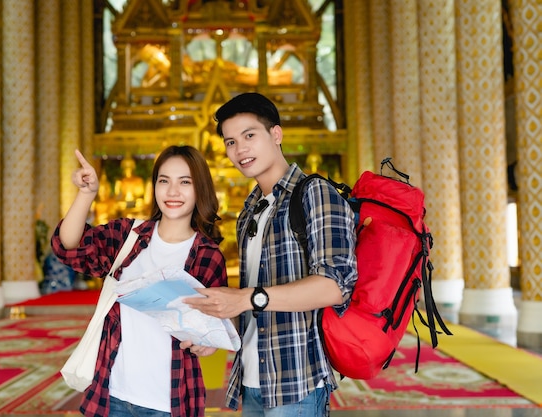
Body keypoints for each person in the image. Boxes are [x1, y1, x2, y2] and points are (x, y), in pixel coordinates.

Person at [185, 92, 358, 416]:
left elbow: (336, 286)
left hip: (297, 383)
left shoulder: (315, 193)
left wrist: (247, 298)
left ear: (275, 134)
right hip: (251, 379)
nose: (240, 150)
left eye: (249, 135)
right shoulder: (249, 210)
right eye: (231, 142)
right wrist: (217, 334)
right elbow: (253, 305)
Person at [51, 145, 228, 417]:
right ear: (154, 186)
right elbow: (70, 245)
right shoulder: (129, 235)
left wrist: (208, 342)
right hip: (113, 395)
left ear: (199, 189)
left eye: (185, 182)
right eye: (164, 181)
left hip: (170, 401)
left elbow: (215, 325)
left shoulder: (207, 255)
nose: (172, 192)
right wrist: (86, 194)